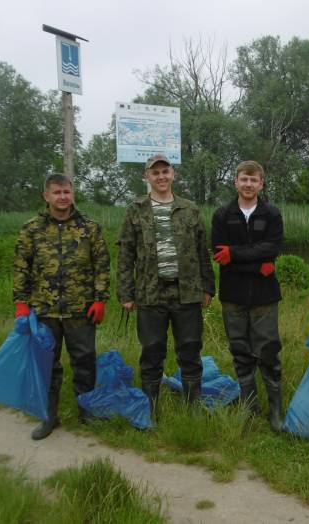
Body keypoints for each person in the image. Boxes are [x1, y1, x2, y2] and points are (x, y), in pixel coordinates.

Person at [13, 173, 111, 440]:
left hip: (81, 309)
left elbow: (101, 265)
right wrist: (21, 303)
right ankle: (49, 416)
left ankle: (86, 412)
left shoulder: (89, 227)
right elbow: (22, 267)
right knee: (47, 365)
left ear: (72, 194)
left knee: (85, 361)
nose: (62, 197)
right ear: (46, 196)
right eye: (57, 192)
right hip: (45, 310)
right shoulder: (31, 229)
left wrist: (101, 299)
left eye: (66, 192)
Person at [117, 154, 215, 415]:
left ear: (173, 175)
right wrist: (126, 293)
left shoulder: (189, 209)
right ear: (146, 177)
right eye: (155, 172)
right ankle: (150, 406)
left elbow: (202, 251)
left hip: (187, 292)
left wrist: (208, 287)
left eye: (165, 171)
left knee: (190, 349)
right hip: (150, 293)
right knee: (152, 350)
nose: (161, 176)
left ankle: (192, 405)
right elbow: (126, 254)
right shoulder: (135, 209)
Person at [211, 160, 284, 431]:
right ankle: (250, 406)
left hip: (265, 296)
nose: (248, 184)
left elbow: (273, 247)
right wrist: (257, 263)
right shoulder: (222, 215)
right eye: (244, 179)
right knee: (240, 351)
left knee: (268, 351)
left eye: (254, 180)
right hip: (232, 295)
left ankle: (276, 411)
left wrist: (236, 253)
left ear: (261, 184)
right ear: (236, 182)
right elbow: (220, 255)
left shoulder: (272, 214)